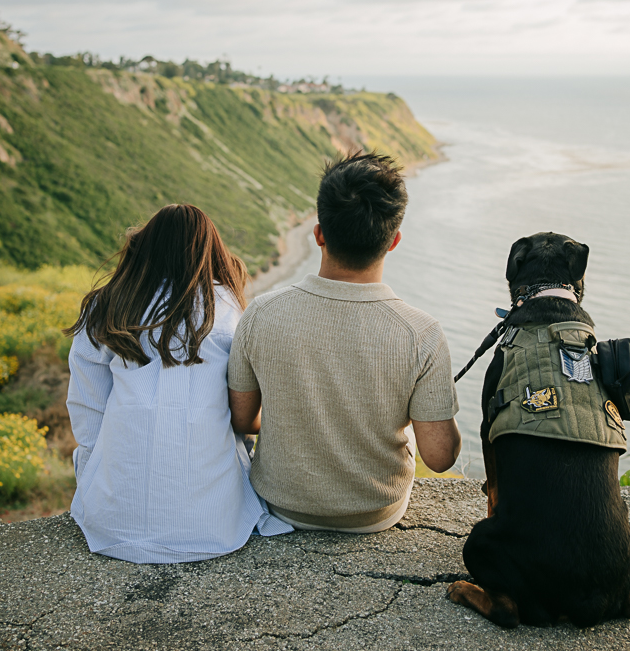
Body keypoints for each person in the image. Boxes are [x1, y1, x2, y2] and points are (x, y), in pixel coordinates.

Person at [228, 151, 461, 532]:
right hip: (375, 513)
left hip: (280, 504)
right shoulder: (422, 332)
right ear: (394, 241)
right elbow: (439, 457)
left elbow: (243, 419)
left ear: (318, 233)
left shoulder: (261, 313)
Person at [64, 203, 292, 563]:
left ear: (144, 248)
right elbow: (244, 412)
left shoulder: (106, 306)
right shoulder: (229, 309)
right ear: (211, 251)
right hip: (215, 527)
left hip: (111, 524)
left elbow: (87, 408)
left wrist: (96, 477)